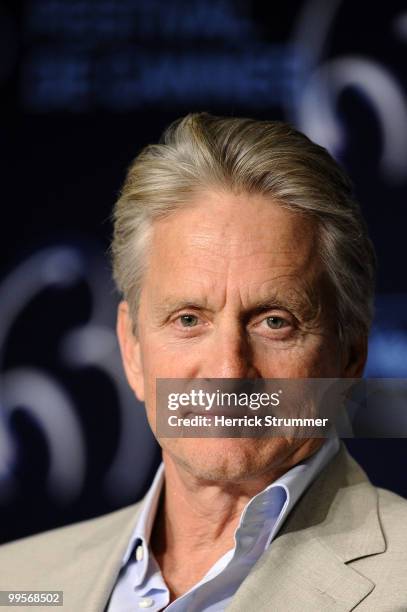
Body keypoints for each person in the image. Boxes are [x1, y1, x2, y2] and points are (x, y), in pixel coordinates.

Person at [1, 113, 406, 611]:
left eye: (274, 322)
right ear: (131, 350)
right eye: (189, 319)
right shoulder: (16, 583)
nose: (229, 371)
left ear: (349, 358)